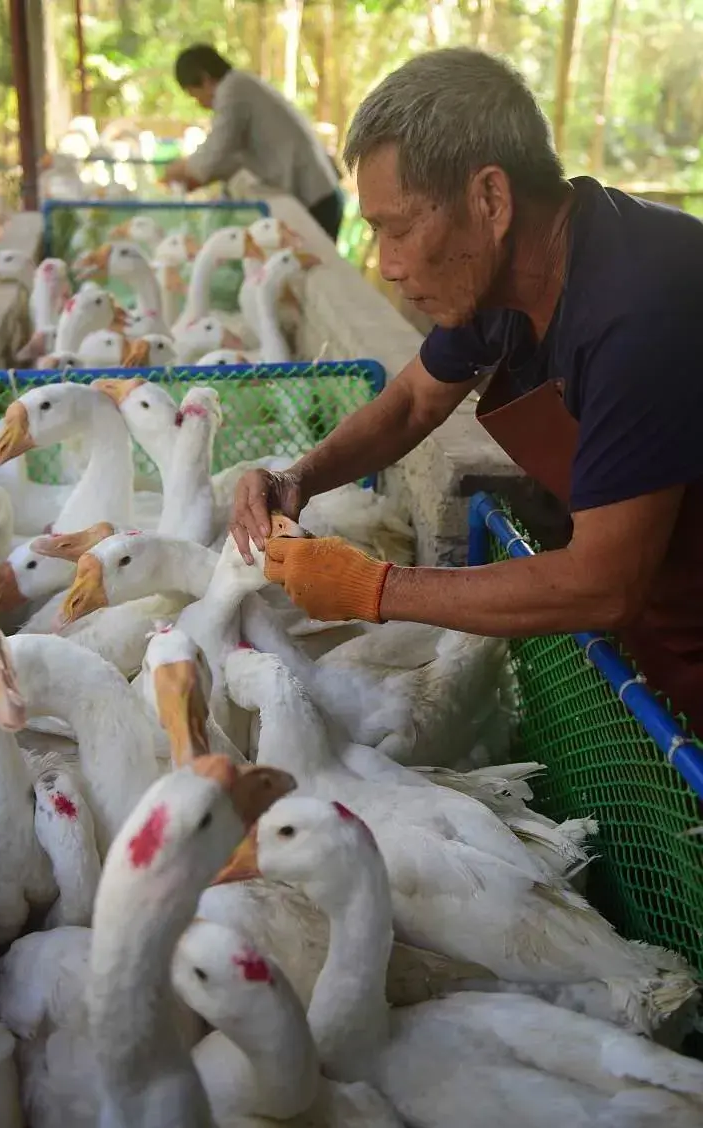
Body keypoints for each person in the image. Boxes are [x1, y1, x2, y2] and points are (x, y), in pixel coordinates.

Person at [230, 46, 703, 736]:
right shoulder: (506, 281)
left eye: (399, 228)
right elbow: (412, 403)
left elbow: (605, 581)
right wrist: (297, 480)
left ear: (491, 200)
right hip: (661, 614)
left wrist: (375, 588)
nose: (388, 265)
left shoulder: (642, 307)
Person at [164, 44, 345, 242]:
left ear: (205, 78)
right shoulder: (241, 86)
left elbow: (215, 152)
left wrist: (181, 169)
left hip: (316, 199)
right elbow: (230, 159)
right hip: (317, 195)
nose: (198, 103)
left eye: (194, 94)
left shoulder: (234, 91)